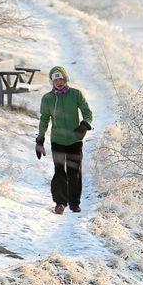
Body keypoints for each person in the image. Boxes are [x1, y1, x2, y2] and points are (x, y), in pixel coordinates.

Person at [35, 66, 93, 214]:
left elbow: (87, 112)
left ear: (65, 79)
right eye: (55, 80)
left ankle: (74, 203)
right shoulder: (48, 98)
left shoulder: (75, 94)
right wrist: (40, 139)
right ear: (52, 82)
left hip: (74, 140)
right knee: (60, 172)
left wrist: (85, 124)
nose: (58, 82)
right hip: (58, 140)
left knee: (75, 172)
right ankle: (60, 203)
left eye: (61, 79)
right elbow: (44, 119)